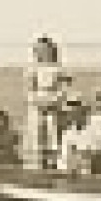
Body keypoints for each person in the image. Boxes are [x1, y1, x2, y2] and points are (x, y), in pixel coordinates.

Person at [24, 36, 67, 170]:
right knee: (38, 136)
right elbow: (30, 90)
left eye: (45, 49)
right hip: (38, 105)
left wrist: (53, 102)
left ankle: (53, 165)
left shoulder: (58, 69)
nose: (42, 53)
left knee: (53, 134)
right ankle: (38, 165)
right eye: (39, 50)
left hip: (54, 105)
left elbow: (63, 89)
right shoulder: (33, 69)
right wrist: (38, 102)